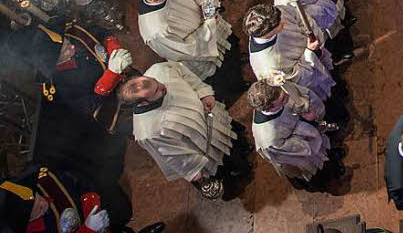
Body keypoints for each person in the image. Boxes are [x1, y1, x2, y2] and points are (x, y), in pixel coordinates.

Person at [121, 62, 241, 200]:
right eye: (157, 91)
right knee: (225, 167)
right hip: (202, 147)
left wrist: (203, 93)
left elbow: (183, 72)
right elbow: (173, 154)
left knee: (234, 139)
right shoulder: (148, 131)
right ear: (143, 103)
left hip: (211, 117)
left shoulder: (158, 70)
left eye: (156, 82)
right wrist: (194, 170)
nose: (163, 86)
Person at [136, 0, 234, 88]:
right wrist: (208, 23)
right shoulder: (156, 31)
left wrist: (208, 8)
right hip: (201, 52)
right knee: (225, 75)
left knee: (232, 49)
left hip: (212, 26)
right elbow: (185, 50)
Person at [248, 79, 340, 189]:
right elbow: (298, 150)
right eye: (282, 99)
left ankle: (330, 157)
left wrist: (304, 106)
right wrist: (308, 123)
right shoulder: (268, 138)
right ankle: (328, 180)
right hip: (299, 154)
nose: (287, 95)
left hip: (308, 133)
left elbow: (298, 96)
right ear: (270, 107)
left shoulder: (277, 90)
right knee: (317, 170)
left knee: (324, 150)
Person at [243, 3, 334, 106]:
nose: (284, 20)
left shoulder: (275, 13)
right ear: (267, 33)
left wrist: (311, 35)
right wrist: (311, 52)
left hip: (317, 48)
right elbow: (299, 79)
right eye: (280, 23)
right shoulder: (268, 66)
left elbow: (298, 15)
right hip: (314, 75)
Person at [0, 165, 131, 233]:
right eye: (38, 209)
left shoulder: (44, 180)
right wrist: (89, 229)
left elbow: (79, 181)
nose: (44, 202)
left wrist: (91, 208)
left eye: (37, 196)